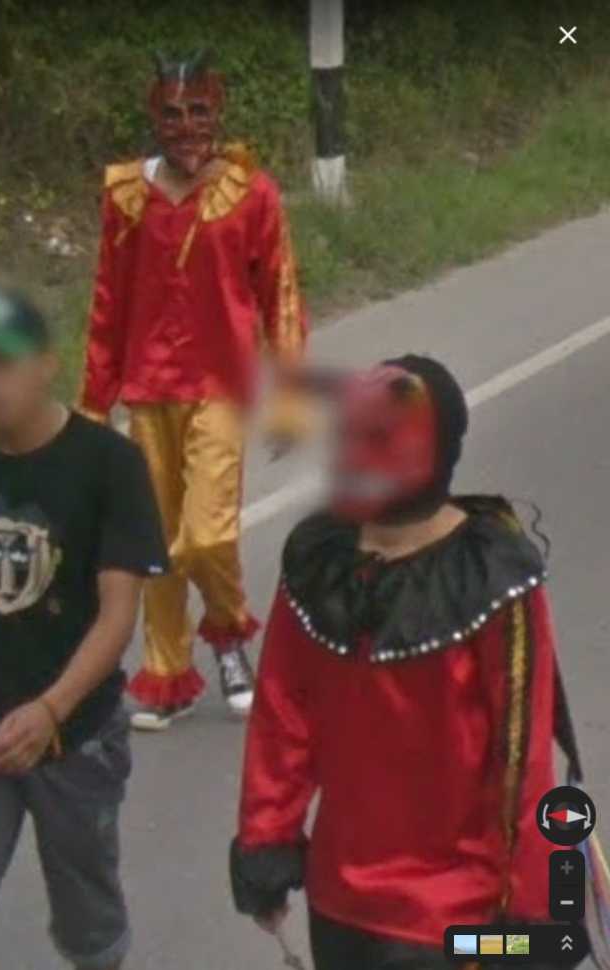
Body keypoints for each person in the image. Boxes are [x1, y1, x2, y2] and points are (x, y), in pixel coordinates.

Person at [231, 356, 582, 970]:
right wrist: (537, 921)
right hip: (407, 917)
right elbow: (524, 764)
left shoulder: (488, 576)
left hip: (430, 918)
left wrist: (267, 844)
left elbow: (282, 723)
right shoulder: (323, 563)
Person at [0, 289, 169, 970]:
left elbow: (118, 613)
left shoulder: (109, 464)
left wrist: (51, 710)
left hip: (77, 737)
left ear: (46, 364)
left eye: (4, 364)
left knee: (87, 922)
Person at [77, 50, 309, 730]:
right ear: (154, 117)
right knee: (154, 538)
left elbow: (280, 294)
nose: (186, 127)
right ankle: (166, 672)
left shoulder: (251, 193)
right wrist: (93, 401)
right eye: (172, 114)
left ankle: (230, 634)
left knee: (204, 535)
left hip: (220, 388)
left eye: (198, 111)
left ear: (219, 111)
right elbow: (108, 299)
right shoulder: (127, 194)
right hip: (148, 389)